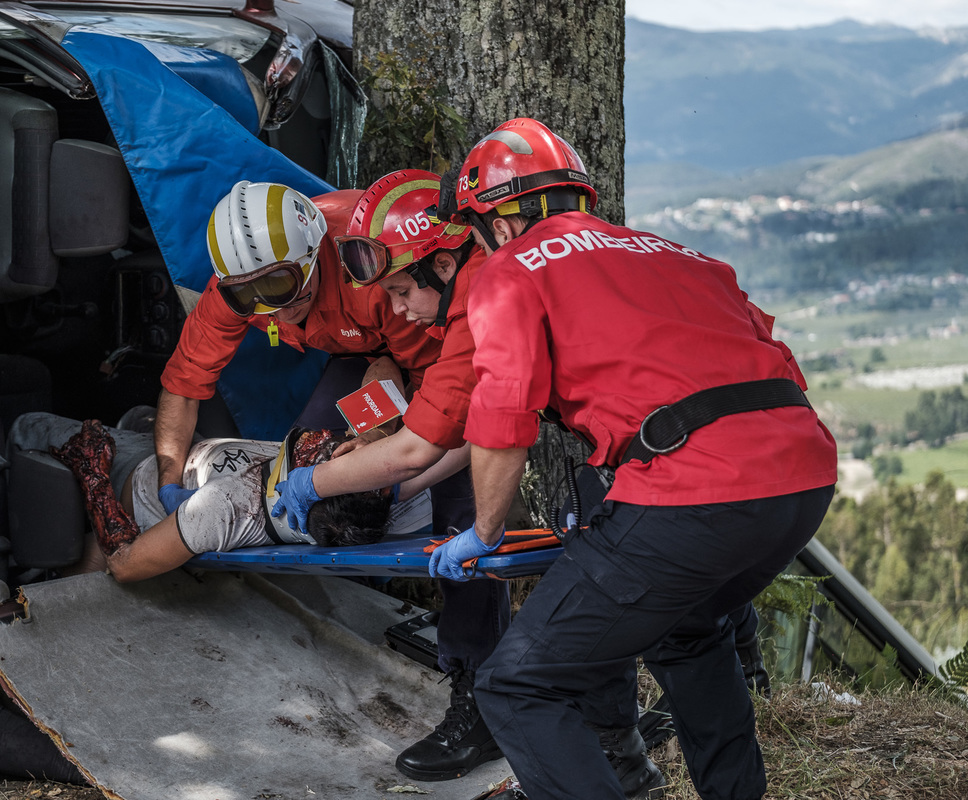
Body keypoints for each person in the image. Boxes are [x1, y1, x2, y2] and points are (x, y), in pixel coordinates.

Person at [430, 117, 838, 800]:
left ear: (497, 223)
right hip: (802, 475)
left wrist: (484, 531)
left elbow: (504, 414)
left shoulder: (508, 270)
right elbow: (768, 354)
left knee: (518, 684)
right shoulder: (679, 254)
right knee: (690, 627)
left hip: (695, 492)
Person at [271, 169, 513, 782]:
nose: (398, 308)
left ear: (442, 263)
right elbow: (393, 369)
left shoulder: (478, 310)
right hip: (422, 393)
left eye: (403, 290)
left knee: (467, 526)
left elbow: (466, 438)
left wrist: (383, 481)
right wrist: (376, 426)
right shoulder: (457, 289)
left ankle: (480, 700)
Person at [153, 180, 443, 520]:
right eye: (254, 298)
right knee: (309, 458)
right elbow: (183, 385)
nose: (278, 311)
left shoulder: (371, 270)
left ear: (315, 251)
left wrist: (385, 447)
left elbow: (433, 383)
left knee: (439, 479)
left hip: (425, 341)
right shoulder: (233, 290)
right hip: (357, 352)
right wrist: (168, 484)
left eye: (282, 285)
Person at [9, 413, 437, 581]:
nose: (334, 435)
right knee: (155, 424)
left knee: (27, 426)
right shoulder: (392, 494)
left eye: (333, 446)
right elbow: (460, 440)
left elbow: (124, 564)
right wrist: (377, 435)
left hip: (134, 487)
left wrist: (93, 471)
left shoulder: (224, 507)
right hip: (194, 458)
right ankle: (144, 426)